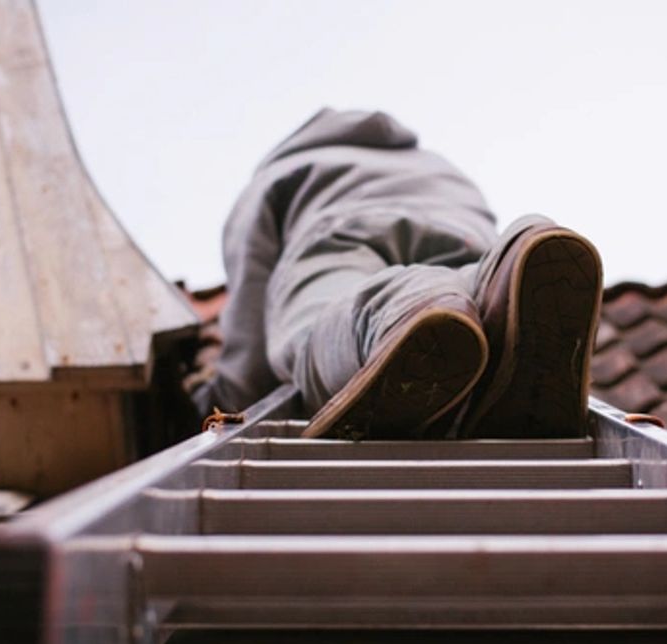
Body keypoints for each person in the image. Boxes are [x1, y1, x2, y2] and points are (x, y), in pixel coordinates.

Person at [196, 108, 602, 440]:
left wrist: (231, 398)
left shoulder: (285, 169)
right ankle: (500, 281)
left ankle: (408, 309)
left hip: (342, 232)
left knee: (326, 330)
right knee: (471, 292)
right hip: (463, 236)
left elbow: (251, 302)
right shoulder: (437, 165)